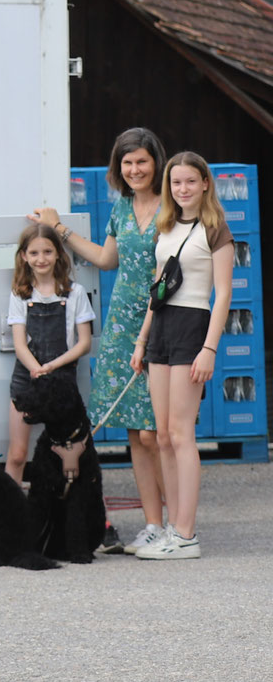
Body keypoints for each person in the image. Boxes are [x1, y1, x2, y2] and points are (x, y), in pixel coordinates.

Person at [31, 127, 167, 552]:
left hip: (159, 323)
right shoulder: (122, 208)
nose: (135, 169)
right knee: (134, 433)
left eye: (142, 161)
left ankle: (177, 524)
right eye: (127, 163)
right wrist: (59, 230)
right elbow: (108, 260)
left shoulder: (171, 207)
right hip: (122, 329)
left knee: (155, 434)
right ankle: (152, 524)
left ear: (156, 162)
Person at [130, 152, 234, 560]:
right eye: (176, 182)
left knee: (180, 433)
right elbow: (158, 290)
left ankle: (187, 534)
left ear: (205, 184)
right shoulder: (166, 226)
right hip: (162, 329)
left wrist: (209, 348)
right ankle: (173, 528)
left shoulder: (215, 228)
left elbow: (223, 293)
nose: (183, 189)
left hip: (194, 327)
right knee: (160, 435)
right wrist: (141, 342)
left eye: (191, 181)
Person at [3, 224, 95, 483]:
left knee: (71, 452)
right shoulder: (20, 294)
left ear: (58, 255)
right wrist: (37, 370)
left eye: (47, 251)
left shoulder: (74, 293)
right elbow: (20, 344)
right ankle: (12, 514)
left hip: (62, 380)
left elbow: (83, 343)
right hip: (27, 379)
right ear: (24, 256)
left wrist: (52, 367)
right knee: (18, 454)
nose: (40, 259)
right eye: (33, 253)